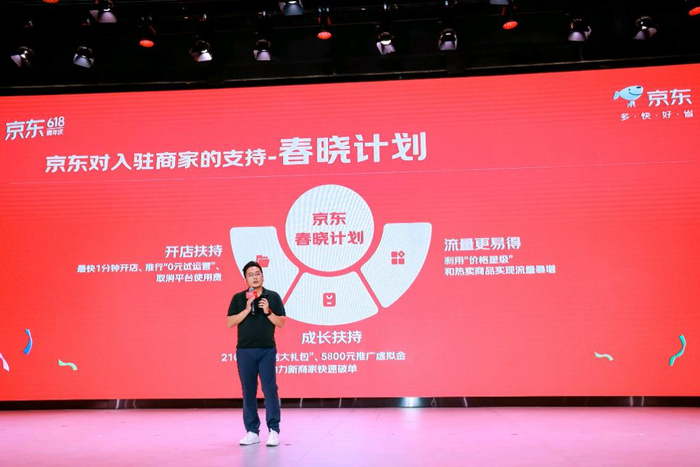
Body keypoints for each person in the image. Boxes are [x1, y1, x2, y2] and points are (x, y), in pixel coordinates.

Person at [226, 260, 286, 447]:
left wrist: (268, 311)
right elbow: (230, 322)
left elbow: (281, 323)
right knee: (248, 391)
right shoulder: (238, 298)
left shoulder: (272, 296)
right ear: (245, 279)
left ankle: (273, 430)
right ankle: (252, 431)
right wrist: (247, 309)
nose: (255, 277)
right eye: (250, 275)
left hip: (267, 350)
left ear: (263, 277)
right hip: (245, 351)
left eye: (257, 273)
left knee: (269, 389)